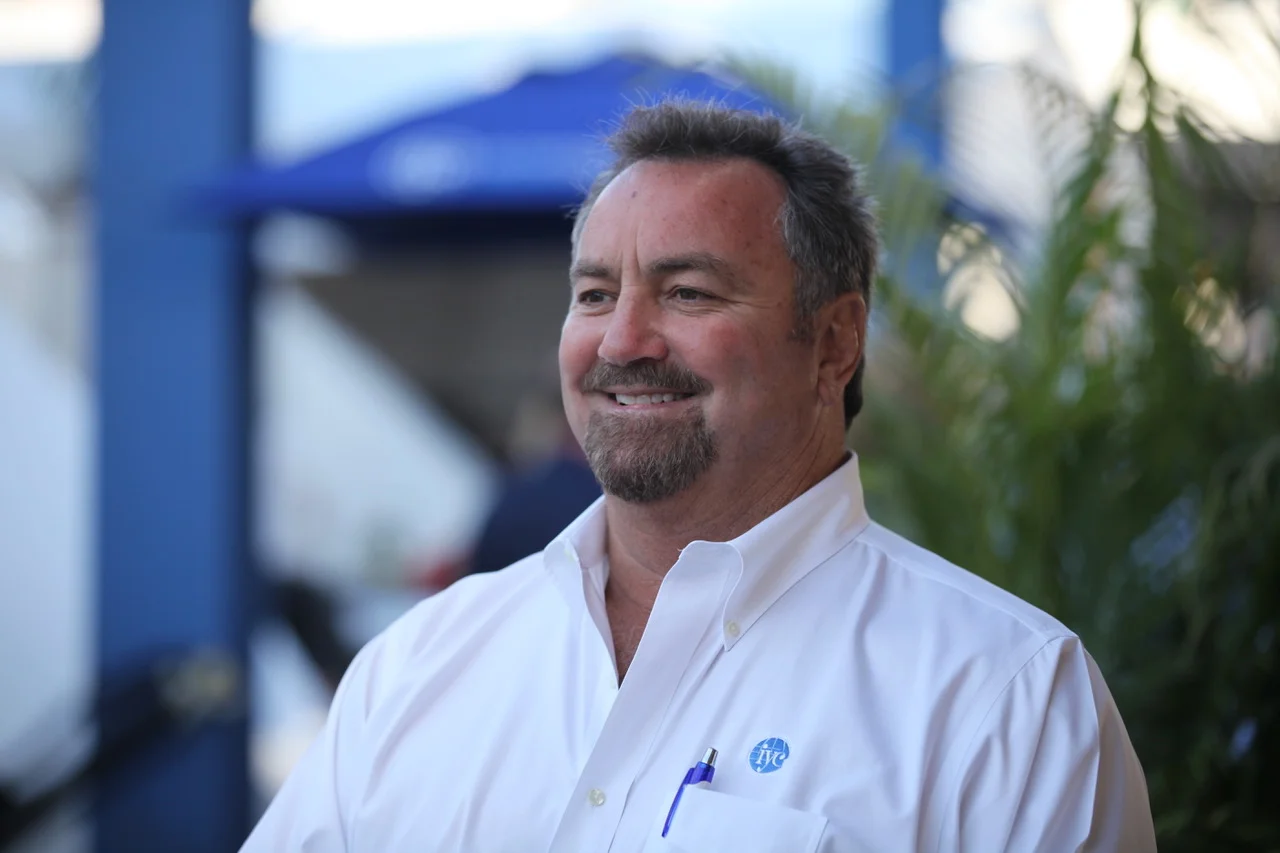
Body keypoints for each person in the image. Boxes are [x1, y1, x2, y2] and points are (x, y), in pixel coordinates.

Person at [240, 100, 1156, 852]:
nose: (623, 340)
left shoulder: (1005, 696)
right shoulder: (419, 664)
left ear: (834, 342)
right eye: (595, 294)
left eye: (688, 292)